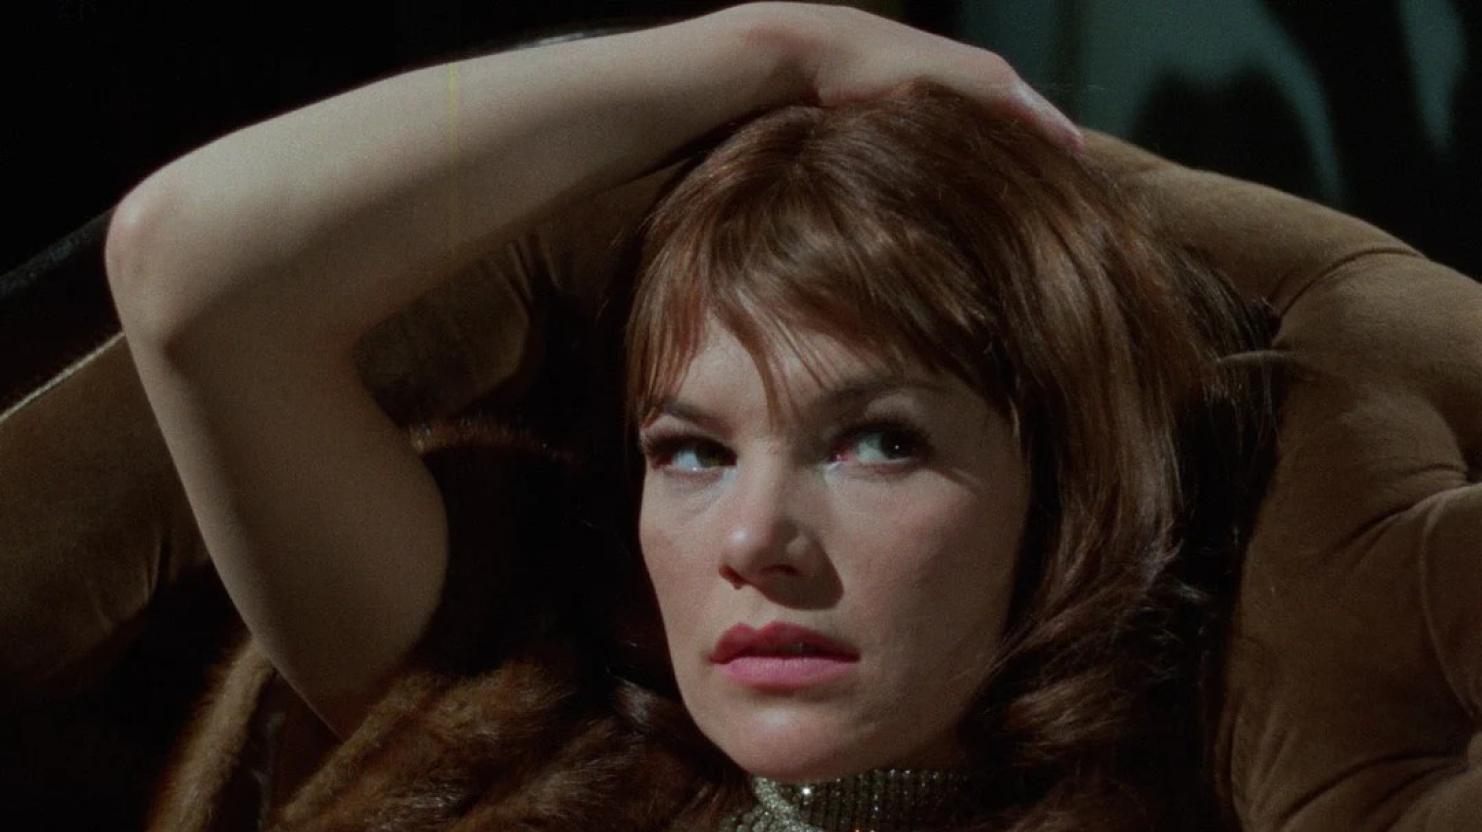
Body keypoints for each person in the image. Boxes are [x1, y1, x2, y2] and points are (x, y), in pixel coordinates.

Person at [105, 3, 1275, 830]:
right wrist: (771, 46)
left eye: (879, 442)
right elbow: (187, 268)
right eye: (693, 451)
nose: (755, 539)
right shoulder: (510, 706)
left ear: (1062, 489)